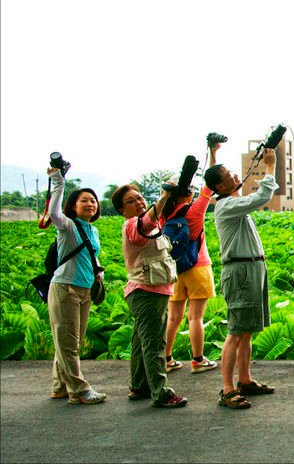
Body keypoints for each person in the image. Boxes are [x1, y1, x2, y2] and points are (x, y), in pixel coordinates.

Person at [203, 148, 278, 409]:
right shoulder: (226, 206)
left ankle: (245, 380)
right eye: (228, 174)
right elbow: (263, 196)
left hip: (252, 269)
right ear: (219, 186)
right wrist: (270, 166)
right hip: (241, 272)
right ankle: (227, 389)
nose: (235, 174)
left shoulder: (230, 202)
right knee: (235, 332)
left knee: (246, 332)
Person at [111, 183, 188, 408]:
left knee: (140, 341)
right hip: (146, 292)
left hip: (153, 291)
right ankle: (161, 393)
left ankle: (139, 385)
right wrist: (163, 197)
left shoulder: (151, 226)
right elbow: (146, 223)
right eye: (130, 201)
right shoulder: (133, 226)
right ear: (121, 210)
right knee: (154, 343)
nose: (138, 202)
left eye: (139, 197)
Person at [44, 167, 106, 405]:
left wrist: (97, 271)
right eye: (84, 201)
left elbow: (90, 254)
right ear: (73, 206)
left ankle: (59, 386)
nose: (90, 204)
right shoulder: (67, 225)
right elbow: (53, 211)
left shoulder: (94, 230)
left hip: (85, 289)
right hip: (65, 287)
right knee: (68, 343)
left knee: (72, 342)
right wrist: (58, 182)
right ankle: (79, 391)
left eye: (93, 200)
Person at [163, 141, 221, 375]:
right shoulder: (195, 211)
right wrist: (213, 153)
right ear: (189, 192)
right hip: (198, 267)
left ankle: (166, 358)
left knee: (174, 317)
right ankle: (197, 360)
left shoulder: (162, 214)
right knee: (195, 317)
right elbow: (211, 181)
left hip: (174, 270)